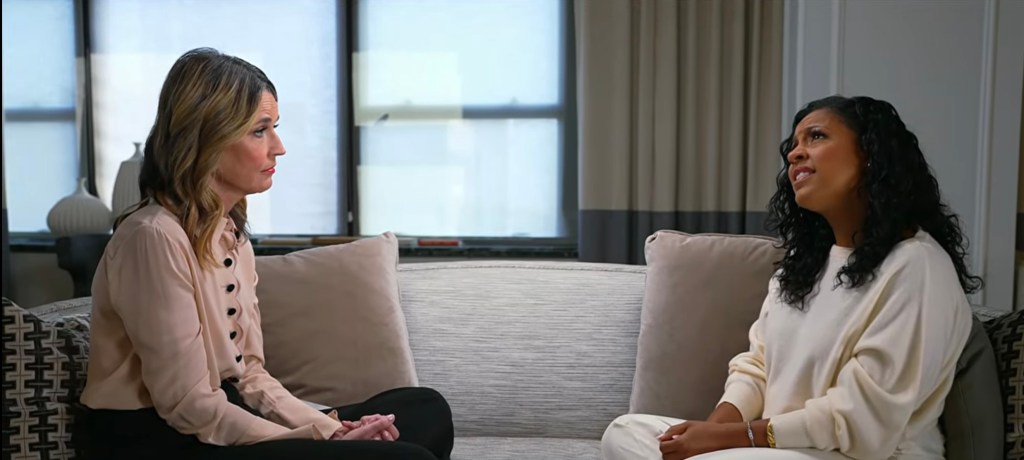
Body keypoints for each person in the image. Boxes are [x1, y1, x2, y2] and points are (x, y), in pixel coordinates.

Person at [75, 48, 454, 460]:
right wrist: (319, 438)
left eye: (274, 128)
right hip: (157, 438)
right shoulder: (152, 238)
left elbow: (250, 376)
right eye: (259, 131)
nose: (279, 147)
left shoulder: (230, 232)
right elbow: (188, 405)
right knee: (407, 456)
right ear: (207, 138)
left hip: (222, 411)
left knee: (423, 409)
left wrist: (332, 428)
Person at [601, 95, 982, 460]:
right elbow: (757, 366)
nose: (794, 152)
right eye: (794, 144)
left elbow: (863, 421)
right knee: (626, 432)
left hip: (863, 456)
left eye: (816, 136)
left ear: (871, 155)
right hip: (776, 449)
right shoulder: (804, 266)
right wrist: (710, 433)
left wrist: (732, 440)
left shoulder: (918, 266)